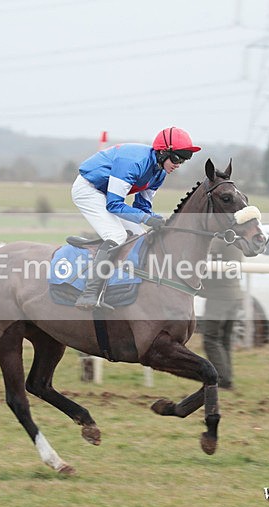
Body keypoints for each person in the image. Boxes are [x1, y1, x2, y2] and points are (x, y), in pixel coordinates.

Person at [71, 126, 201, 309]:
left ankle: (121, 287)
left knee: (140, 236)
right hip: (88, 190)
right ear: (163, 152)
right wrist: (147, 219)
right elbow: (114, 205)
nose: (178, 164)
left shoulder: (160, 173)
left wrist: (159, 220)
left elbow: (142, 208)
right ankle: (89, 293)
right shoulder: (133, 162)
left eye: (184, 160)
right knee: (117, 236)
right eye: (177, 158)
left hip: (107, 195)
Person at [199, 241, 243, 390]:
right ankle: (227, 379)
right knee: (224, 341)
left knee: (210, 339)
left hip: (219, 297)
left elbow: (207, 262)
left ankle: (223, 381)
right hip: (234, 294)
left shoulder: (219, 238)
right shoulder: (235, 238)